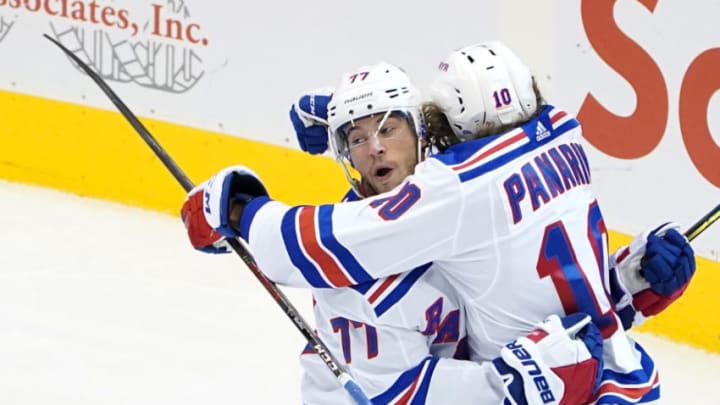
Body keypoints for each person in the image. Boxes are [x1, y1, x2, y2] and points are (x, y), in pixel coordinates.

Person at [182, 42, 695, 404]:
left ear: (423, 129)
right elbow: (393, 392)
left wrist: (626, 284)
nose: (377, 146)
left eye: (389, 127)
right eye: (357, 138)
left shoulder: (452, 209)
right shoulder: (358, 277)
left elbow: (529, 305)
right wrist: (512, 387)